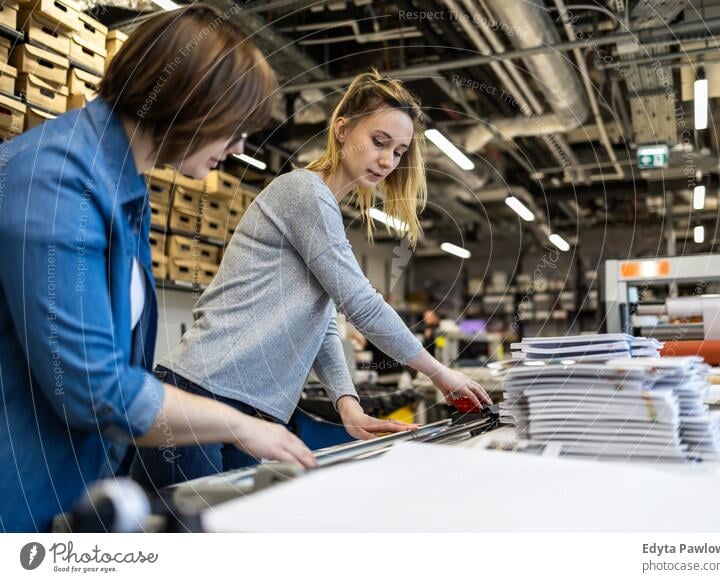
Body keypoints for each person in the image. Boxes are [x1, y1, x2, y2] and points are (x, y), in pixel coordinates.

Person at [0, 4, 315, 533]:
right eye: (234, 129)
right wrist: (238, 426)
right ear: (189, 102)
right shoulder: (58, 181)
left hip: (65, 486)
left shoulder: (122, 185)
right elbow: (92, 387)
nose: (239, 148)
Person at [132, 69, 493, 489]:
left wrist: (347, 403)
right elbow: (361, 303)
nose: (387, 161)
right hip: (200, 395)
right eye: (379, 142)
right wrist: (438, 373)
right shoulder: (304, 192)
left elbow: (319, 322)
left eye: (398, 151)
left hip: (252, 411)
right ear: (341, 129)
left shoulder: (325, 211)